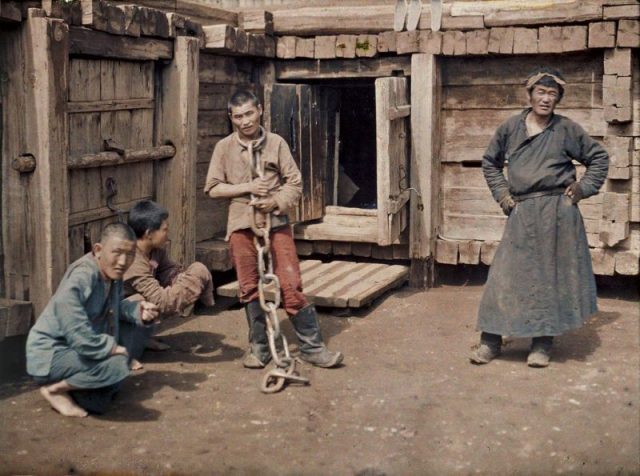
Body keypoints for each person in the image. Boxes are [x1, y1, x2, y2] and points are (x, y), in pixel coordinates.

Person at [469, 67, 609, 368]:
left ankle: (542, 344)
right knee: (504, 277)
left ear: (558, 99)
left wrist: (583, 189)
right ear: (530, 94)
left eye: (553, 94)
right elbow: (490, 163)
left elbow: (598, 158)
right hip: (522, 210)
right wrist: (503, 196)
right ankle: (490, 341)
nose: (546, 99)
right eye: (541, 93)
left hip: (557, 213)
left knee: (550, 278)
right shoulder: (510, 128)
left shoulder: (566, 129)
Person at [204, 90, 343, 369]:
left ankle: (312, 348)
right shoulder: (224, 148)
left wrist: (275, 202)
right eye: (238, 116)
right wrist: (248, 188)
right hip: (241, 223)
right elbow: (213, 188)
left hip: (276, 223)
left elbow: (295, 183)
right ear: (231, 118)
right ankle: (259, 347)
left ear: (260, 111)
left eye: (249, 113)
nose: (245, 121)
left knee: (289, 283)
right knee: (248, 285)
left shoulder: (276, 143)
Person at [26, 223, 159, 417]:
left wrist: (138, 310)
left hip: (76, 350)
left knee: (102, 398)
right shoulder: (83, 274)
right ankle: (55, 389)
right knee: (117, 365)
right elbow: (72, 323)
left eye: (130, 254)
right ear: (98, 250)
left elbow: (110, 308)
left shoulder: (113, 273)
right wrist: (107, 349)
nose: (123, 261)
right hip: (51, 353)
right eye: (117, 252)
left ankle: (83, 386)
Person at [123, 199, 215, 360]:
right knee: (147, 301)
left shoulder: (155, 250)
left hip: (133, 314)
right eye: (165, 230)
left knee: (162, 292)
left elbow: (170, 273)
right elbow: (163, 302)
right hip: (111, 319)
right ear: (149, 233)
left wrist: (185, 279)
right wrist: (197, 275)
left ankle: (141, 339)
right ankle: (124, 350)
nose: (168, 233)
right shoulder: (132, 259)